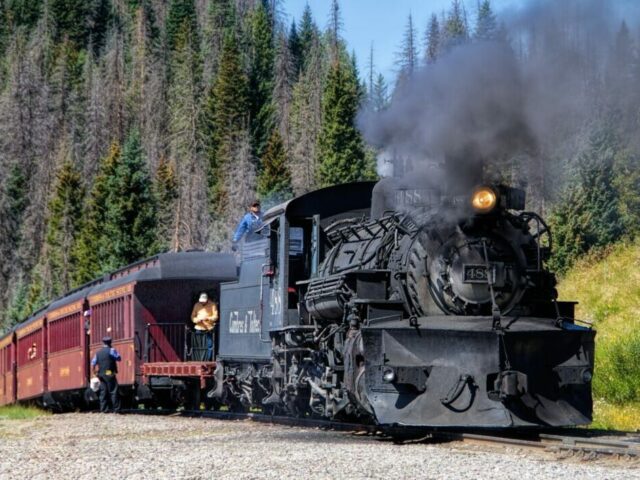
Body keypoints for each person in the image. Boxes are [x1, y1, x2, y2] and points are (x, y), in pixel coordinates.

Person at [91, 336, 122, 413]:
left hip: (101, 374)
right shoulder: (111, 350)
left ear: (103, 343)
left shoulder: (98, 353)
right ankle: (116, 409)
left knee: (103, 392)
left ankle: (104, 409)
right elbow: (119, 358)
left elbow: (93, 363)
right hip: (109, 373)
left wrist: (94, 373)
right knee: (113, 390)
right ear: (110, 342)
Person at [190, 292, 218, 361]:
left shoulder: (212, 305)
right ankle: (199, 359)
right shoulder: (197, 305)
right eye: (201, 301)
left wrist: (208, 319)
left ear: (207, 299)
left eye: (204, 301)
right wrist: (196, 320)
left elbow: (215, 316)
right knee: (198, 345)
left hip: (209, 328)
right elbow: (192, 316)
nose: (202, 303)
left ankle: (207, 359)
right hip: (199, 327)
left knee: (209, 345)